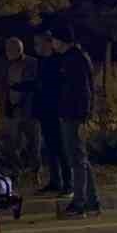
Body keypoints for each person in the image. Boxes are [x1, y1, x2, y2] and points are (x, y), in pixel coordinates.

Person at [49, 25, 100, 218]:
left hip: (74, 116)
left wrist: (82, 116)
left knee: (77, 160)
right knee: (81, 159)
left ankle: (80, 204)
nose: (52, 43)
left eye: (53, 39)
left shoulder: (74, 59)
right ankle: (92, 201)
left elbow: (83, 91)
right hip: (73, 114)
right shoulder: (74, 57)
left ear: (61, 40)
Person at [32, 32, 69, 195]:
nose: (36, 47)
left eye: (38, 44)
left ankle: (68, 183)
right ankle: (56, 181)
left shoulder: (57, 61)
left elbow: (58, 86)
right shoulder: (43, 62)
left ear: (48, 44)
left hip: (56, 110)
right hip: (45, 110)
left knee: (61, 147)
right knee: (51, 148)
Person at [0, 37, 42, 177]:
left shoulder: (32, 63)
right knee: (11, 143)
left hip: (28, 110)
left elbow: (33, 86)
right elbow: (3, 85)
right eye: (7, 49)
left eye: (12, 49)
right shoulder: (5, 64)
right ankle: (16, 170)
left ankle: (35, 171)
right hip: (11, 109)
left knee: (33, 143)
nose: (8, 52)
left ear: (20, 49)